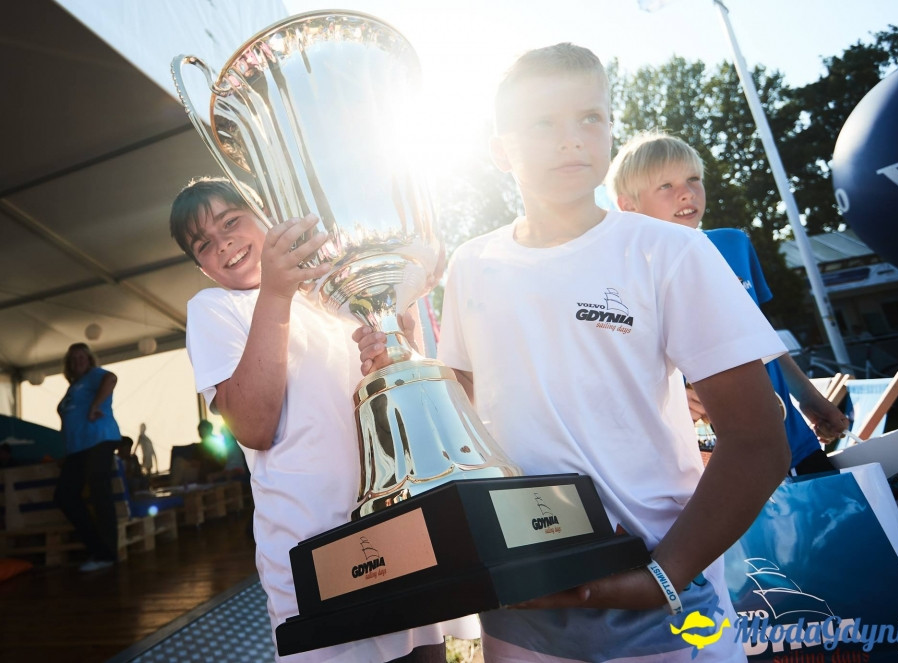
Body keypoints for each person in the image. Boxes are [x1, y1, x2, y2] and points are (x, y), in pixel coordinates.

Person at [357, 43, 790, 662]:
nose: (573, 139)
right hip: (524, 603)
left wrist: (661, 577)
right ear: (500, 150)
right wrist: (405, 372)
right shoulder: (472, 264)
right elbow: (461, 414)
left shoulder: (669, 251)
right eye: (543, 122)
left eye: (591, 117)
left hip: (659, 593)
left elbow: (758, 439)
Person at [169, 176, 477, 663]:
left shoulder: (335, 292)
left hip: (399, 526)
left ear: (265, 214)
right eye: (203, 244)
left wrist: (394, 343)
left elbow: (400, 400)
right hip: (315, 548)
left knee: (424, 654)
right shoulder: (214, 309)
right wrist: (275, 291)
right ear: (202, 268)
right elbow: (253, 427)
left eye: (231, 222)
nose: (222, 242)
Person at [607, 132, 848, 474]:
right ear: (628, 206)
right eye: (666, 186)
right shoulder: (623, 279)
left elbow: (762, 339)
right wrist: (669, 397)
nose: (687, 192)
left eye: (694, 179)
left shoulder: (734, 245)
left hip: (794, 439)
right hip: (716, 462)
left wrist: (809, 398)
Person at [54, 342, 121, 573]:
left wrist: (94, 405)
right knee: (64, 495)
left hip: (99, 439)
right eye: (73, 358)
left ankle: (108, 554)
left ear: (90, 360)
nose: (78, 360)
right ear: (69, 365)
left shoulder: (94, 376)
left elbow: (111, 378)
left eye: (82, 356)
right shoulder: (73, 387)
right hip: (78, 448)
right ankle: (97, 548)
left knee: (99, 490)